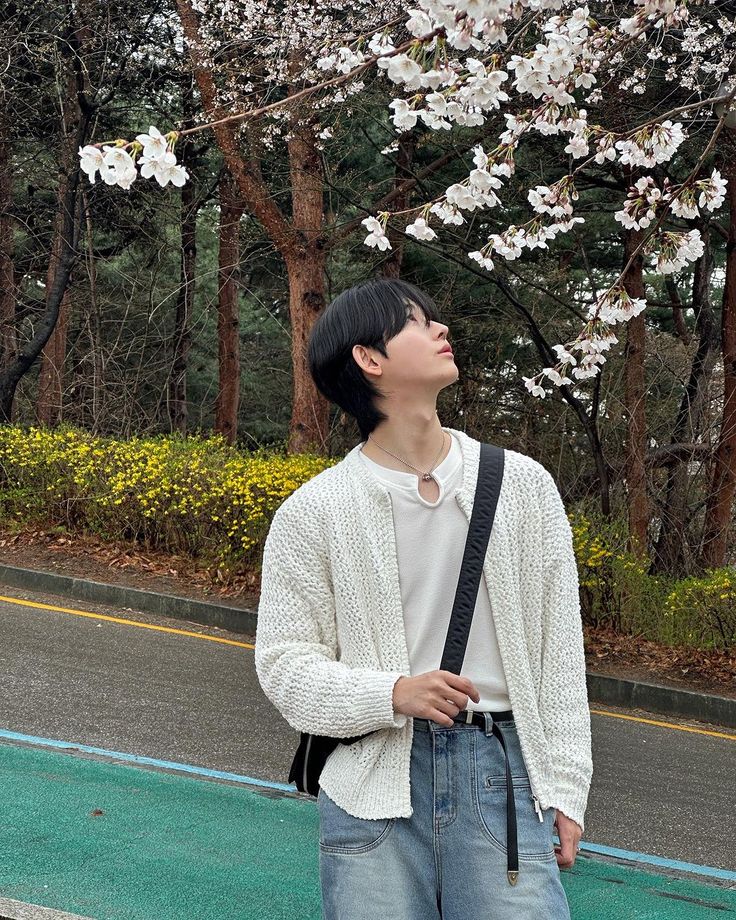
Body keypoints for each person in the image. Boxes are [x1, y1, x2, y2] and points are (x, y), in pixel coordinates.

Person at [254, 277, 593, 919]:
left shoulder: (523, 486)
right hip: (372, 782)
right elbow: (284, 666)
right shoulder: (315, 511)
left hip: (503, 771)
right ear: (369, 358)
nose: (440, 329)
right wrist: (390, 693)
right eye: (416, 321)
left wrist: (567, 786)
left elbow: (559, 653)